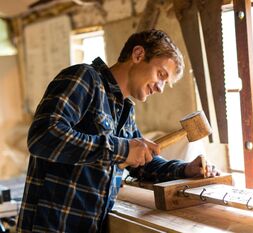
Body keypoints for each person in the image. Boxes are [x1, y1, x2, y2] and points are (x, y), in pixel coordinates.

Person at [17, 29, 219, 233]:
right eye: (161, 75)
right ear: (138, 54)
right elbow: (43, 136)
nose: (160, 88)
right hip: (51, 227)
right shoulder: (84, 78)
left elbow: (142, 165)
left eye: (166, 83)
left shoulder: (124, 110)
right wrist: (121, 149)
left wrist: (184, 170)